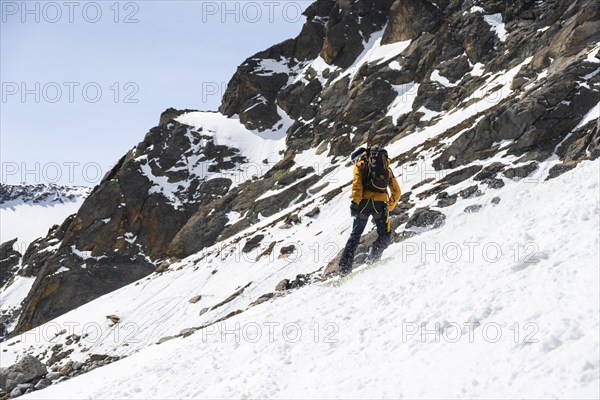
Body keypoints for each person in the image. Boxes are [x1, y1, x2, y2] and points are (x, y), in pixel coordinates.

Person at [338, 146, 401, 275]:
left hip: (363, 204)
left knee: (355, 236)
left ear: (356, 158)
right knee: (385, 234)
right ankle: (373, 257)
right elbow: (397, 191)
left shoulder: (360, 164)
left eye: (352, 161)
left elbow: (357, 184)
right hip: (380, 204)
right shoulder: (384, 168)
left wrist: (355, 203)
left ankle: (344, 270)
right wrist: (388, 206)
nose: (353, 164)